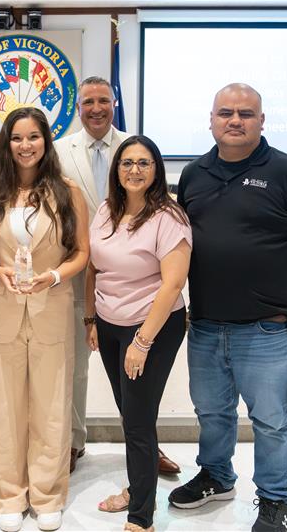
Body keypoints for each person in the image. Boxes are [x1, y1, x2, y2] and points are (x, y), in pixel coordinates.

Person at [169, 83, 287, 532]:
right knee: (211, 411)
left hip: (266, 326)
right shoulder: (194, 174)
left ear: (262, 121)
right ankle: (217, 476)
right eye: (226, 112)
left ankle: (275, 499)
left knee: (271, 420)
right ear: (211, 119)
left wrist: (280, 266)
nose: (235, 120)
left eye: (246, 113)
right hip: (204, 322)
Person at [0, 107, 89, 532]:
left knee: (52, 408)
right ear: (6, 144)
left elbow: (81, 253)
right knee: (3, 409)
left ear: (46, 141)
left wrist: (54, 275)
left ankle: (48, 494)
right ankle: (9, 495)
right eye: (16, 138)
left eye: (33, 137)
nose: (25, 146)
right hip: (1, 312)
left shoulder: (68, 191)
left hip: (51, 310)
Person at [54, 76, 181, 476]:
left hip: (140, 280)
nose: (96, 108)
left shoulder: (134, 149)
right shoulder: (58, 151)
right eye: (88, 101)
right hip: (80, 273)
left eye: (103, 101)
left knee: (141, 383)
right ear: (78, 108)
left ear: (114, 103)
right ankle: (75, 441)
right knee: (75, 365)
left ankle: (146, 448)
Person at [86, 135, 191, 532]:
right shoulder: (105, 210)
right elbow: (94, 268)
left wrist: (142, 342)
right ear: (116, 169)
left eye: (143, 163)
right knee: (130, 413)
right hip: (110, 324)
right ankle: (138, 486)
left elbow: (172, 284)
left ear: (156, 170)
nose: (134, 170)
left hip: (152, 329)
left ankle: (141, 517)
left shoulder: (169, 217)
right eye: (127, 163)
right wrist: (90, 319)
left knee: (138, 420)